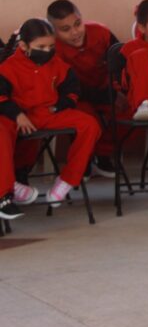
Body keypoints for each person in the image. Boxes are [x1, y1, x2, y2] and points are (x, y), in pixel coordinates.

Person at [0, 19, 101, 216]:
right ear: (23, 46)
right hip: (17, 116)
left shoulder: (57, 64)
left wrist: (60, 106)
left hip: (47, 113)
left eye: (51, 46)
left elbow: (72, 90)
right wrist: (17, 115)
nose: (47, 51)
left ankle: (67, 181)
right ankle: (5, 191)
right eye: (41, 47)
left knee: (90, 125)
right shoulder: (7, 68)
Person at [48, 0, 118, 176]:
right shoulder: (51, 48)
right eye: (65, 29)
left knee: (132, 112)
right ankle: (84, 160)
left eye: (78, 24)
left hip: (106, 91)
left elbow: (121, 61)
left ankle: (103, 154)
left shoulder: (101, 33)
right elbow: (60, 86)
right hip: (78, 97)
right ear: (54, 32)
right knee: (85, 119)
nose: (74, 32)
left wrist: (117, 91)